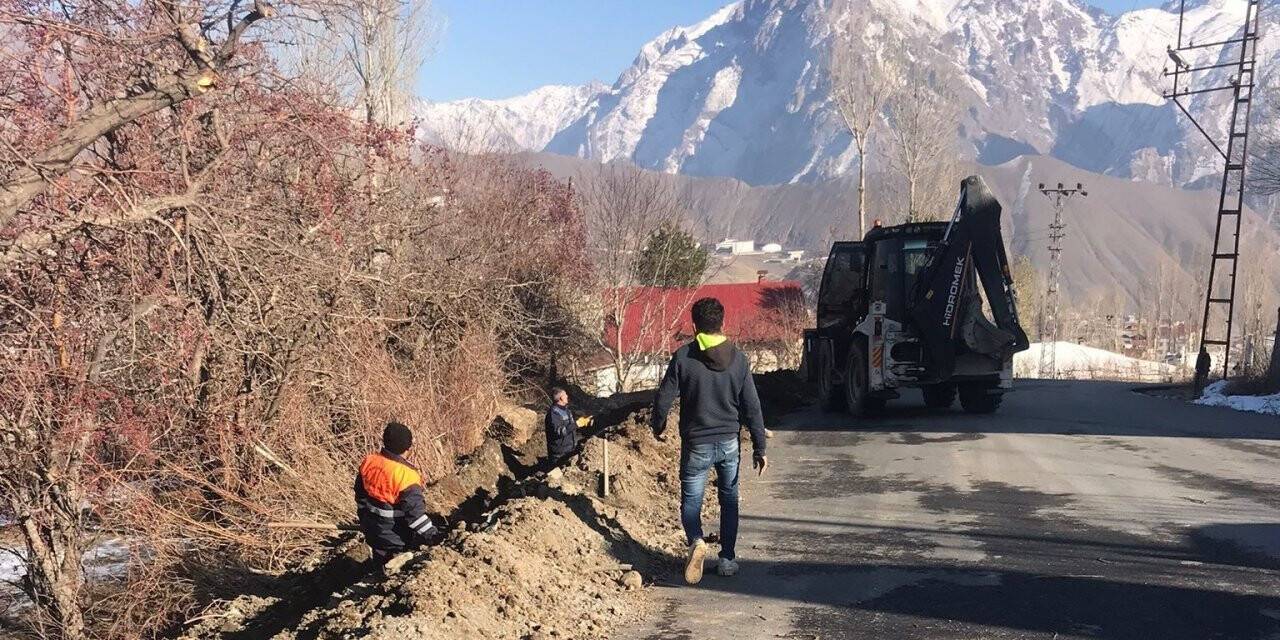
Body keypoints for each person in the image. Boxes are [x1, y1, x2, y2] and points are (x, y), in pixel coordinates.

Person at [652, 297, 769, 585]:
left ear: (694, 327)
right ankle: (727, 559)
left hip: (696, 443)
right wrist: (760, 447)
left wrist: (658, 425)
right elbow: (752, 406)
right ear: (723, 323)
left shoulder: (683, 357)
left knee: (691, 500)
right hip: (729, 442)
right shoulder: (738, 359)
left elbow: (664, 397)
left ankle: (696, 540)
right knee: (729, 499)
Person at [354, 421, 441, 565]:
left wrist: (363, 518)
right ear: (408, 448)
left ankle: (376, 570)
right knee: (394, 566)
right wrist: (433, 536)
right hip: (396, 536)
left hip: (371, 528)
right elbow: (415, 516)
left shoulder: (369, 461)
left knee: (379, 560)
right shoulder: (407, 476)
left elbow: (360, 495)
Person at [544, 387, 578, 463]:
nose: (567, 396)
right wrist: (576, 424)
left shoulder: (567, 410)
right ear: (561, 398)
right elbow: (559, 431)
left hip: (570, 449)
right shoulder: (553, 413)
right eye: (565, 394)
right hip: (559, 454)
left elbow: (571, 427)